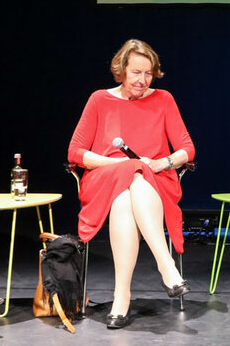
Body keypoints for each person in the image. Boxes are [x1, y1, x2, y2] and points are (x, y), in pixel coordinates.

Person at [67, 39, 194, 329]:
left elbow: (187, 149)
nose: (142, 80)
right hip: (105, 176)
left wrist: (162, 163)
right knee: (130, 176)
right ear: (121, 70)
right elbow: (75, 153)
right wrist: (120, 165)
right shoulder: (99, 99)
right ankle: (167, 266)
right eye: (136, 72)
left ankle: (120, 297)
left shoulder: (164, 99)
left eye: (148, 73)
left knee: (128, 192)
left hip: (153, 180)